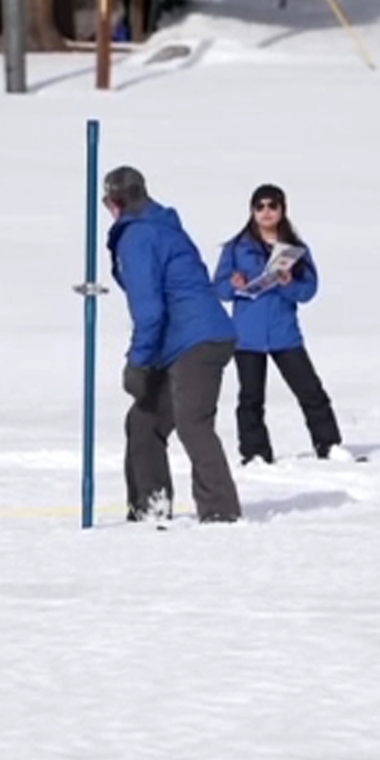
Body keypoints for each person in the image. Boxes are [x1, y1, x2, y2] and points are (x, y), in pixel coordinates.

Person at [104, 165, 243, 524]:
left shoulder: (137, 237)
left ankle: (221, 513)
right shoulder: (162, 227)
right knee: (144, 420)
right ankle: (150, 507)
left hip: (195, 341)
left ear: (115, 203)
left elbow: (149, 311)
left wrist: (138, 363)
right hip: (193, 338)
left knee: (192, 423)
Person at [212, 183, 350, 465]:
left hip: (284, 334)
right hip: (247, 335)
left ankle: (328, 444)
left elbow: (309, 290)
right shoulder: (237, 247)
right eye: (260, 206)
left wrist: (289, 284)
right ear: (252, 211)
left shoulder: (296, 250)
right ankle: (255, 453)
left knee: (310, 390)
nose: (266, 212)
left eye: (272, 206)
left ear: (282, 210)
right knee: (251, 398)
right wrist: (234, 285)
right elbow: (218, 289)